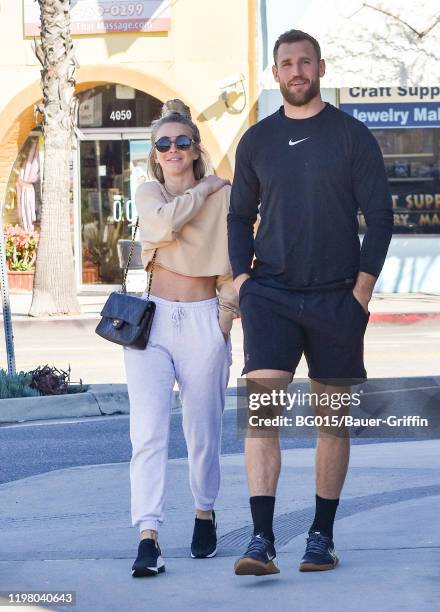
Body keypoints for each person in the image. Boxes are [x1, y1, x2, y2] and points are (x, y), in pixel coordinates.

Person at [228, 30, 393, 575]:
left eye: (304, 62)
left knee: (331, 421)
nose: (296, 71)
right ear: (275, 74)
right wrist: (243, 282)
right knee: (262, 417)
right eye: (286, 64)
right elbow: (237, 215)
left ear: (321, 67)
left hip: (335, 298)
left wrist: (360, 293)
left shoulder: (353, 136)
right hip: (270, 294)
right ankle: (260, 540)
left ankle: (320, 537)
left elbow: (381, 217)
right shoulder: (256, 141)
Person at [125, 99, 239, 577]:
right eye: (163, 144)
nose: (172, 150)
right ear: (155, 154)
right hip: (150, 323)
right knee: (147, 434)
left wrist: (224, 320)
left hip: (202, 319)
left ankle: (204, 511)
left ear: (195, 148)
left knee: (203, 430)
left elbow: (237, 261)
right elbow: (160, 224)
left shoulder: (225, 198)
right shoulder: (148, 191)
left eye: (181, 142)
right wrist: (206, 187)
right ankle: (148, 535)